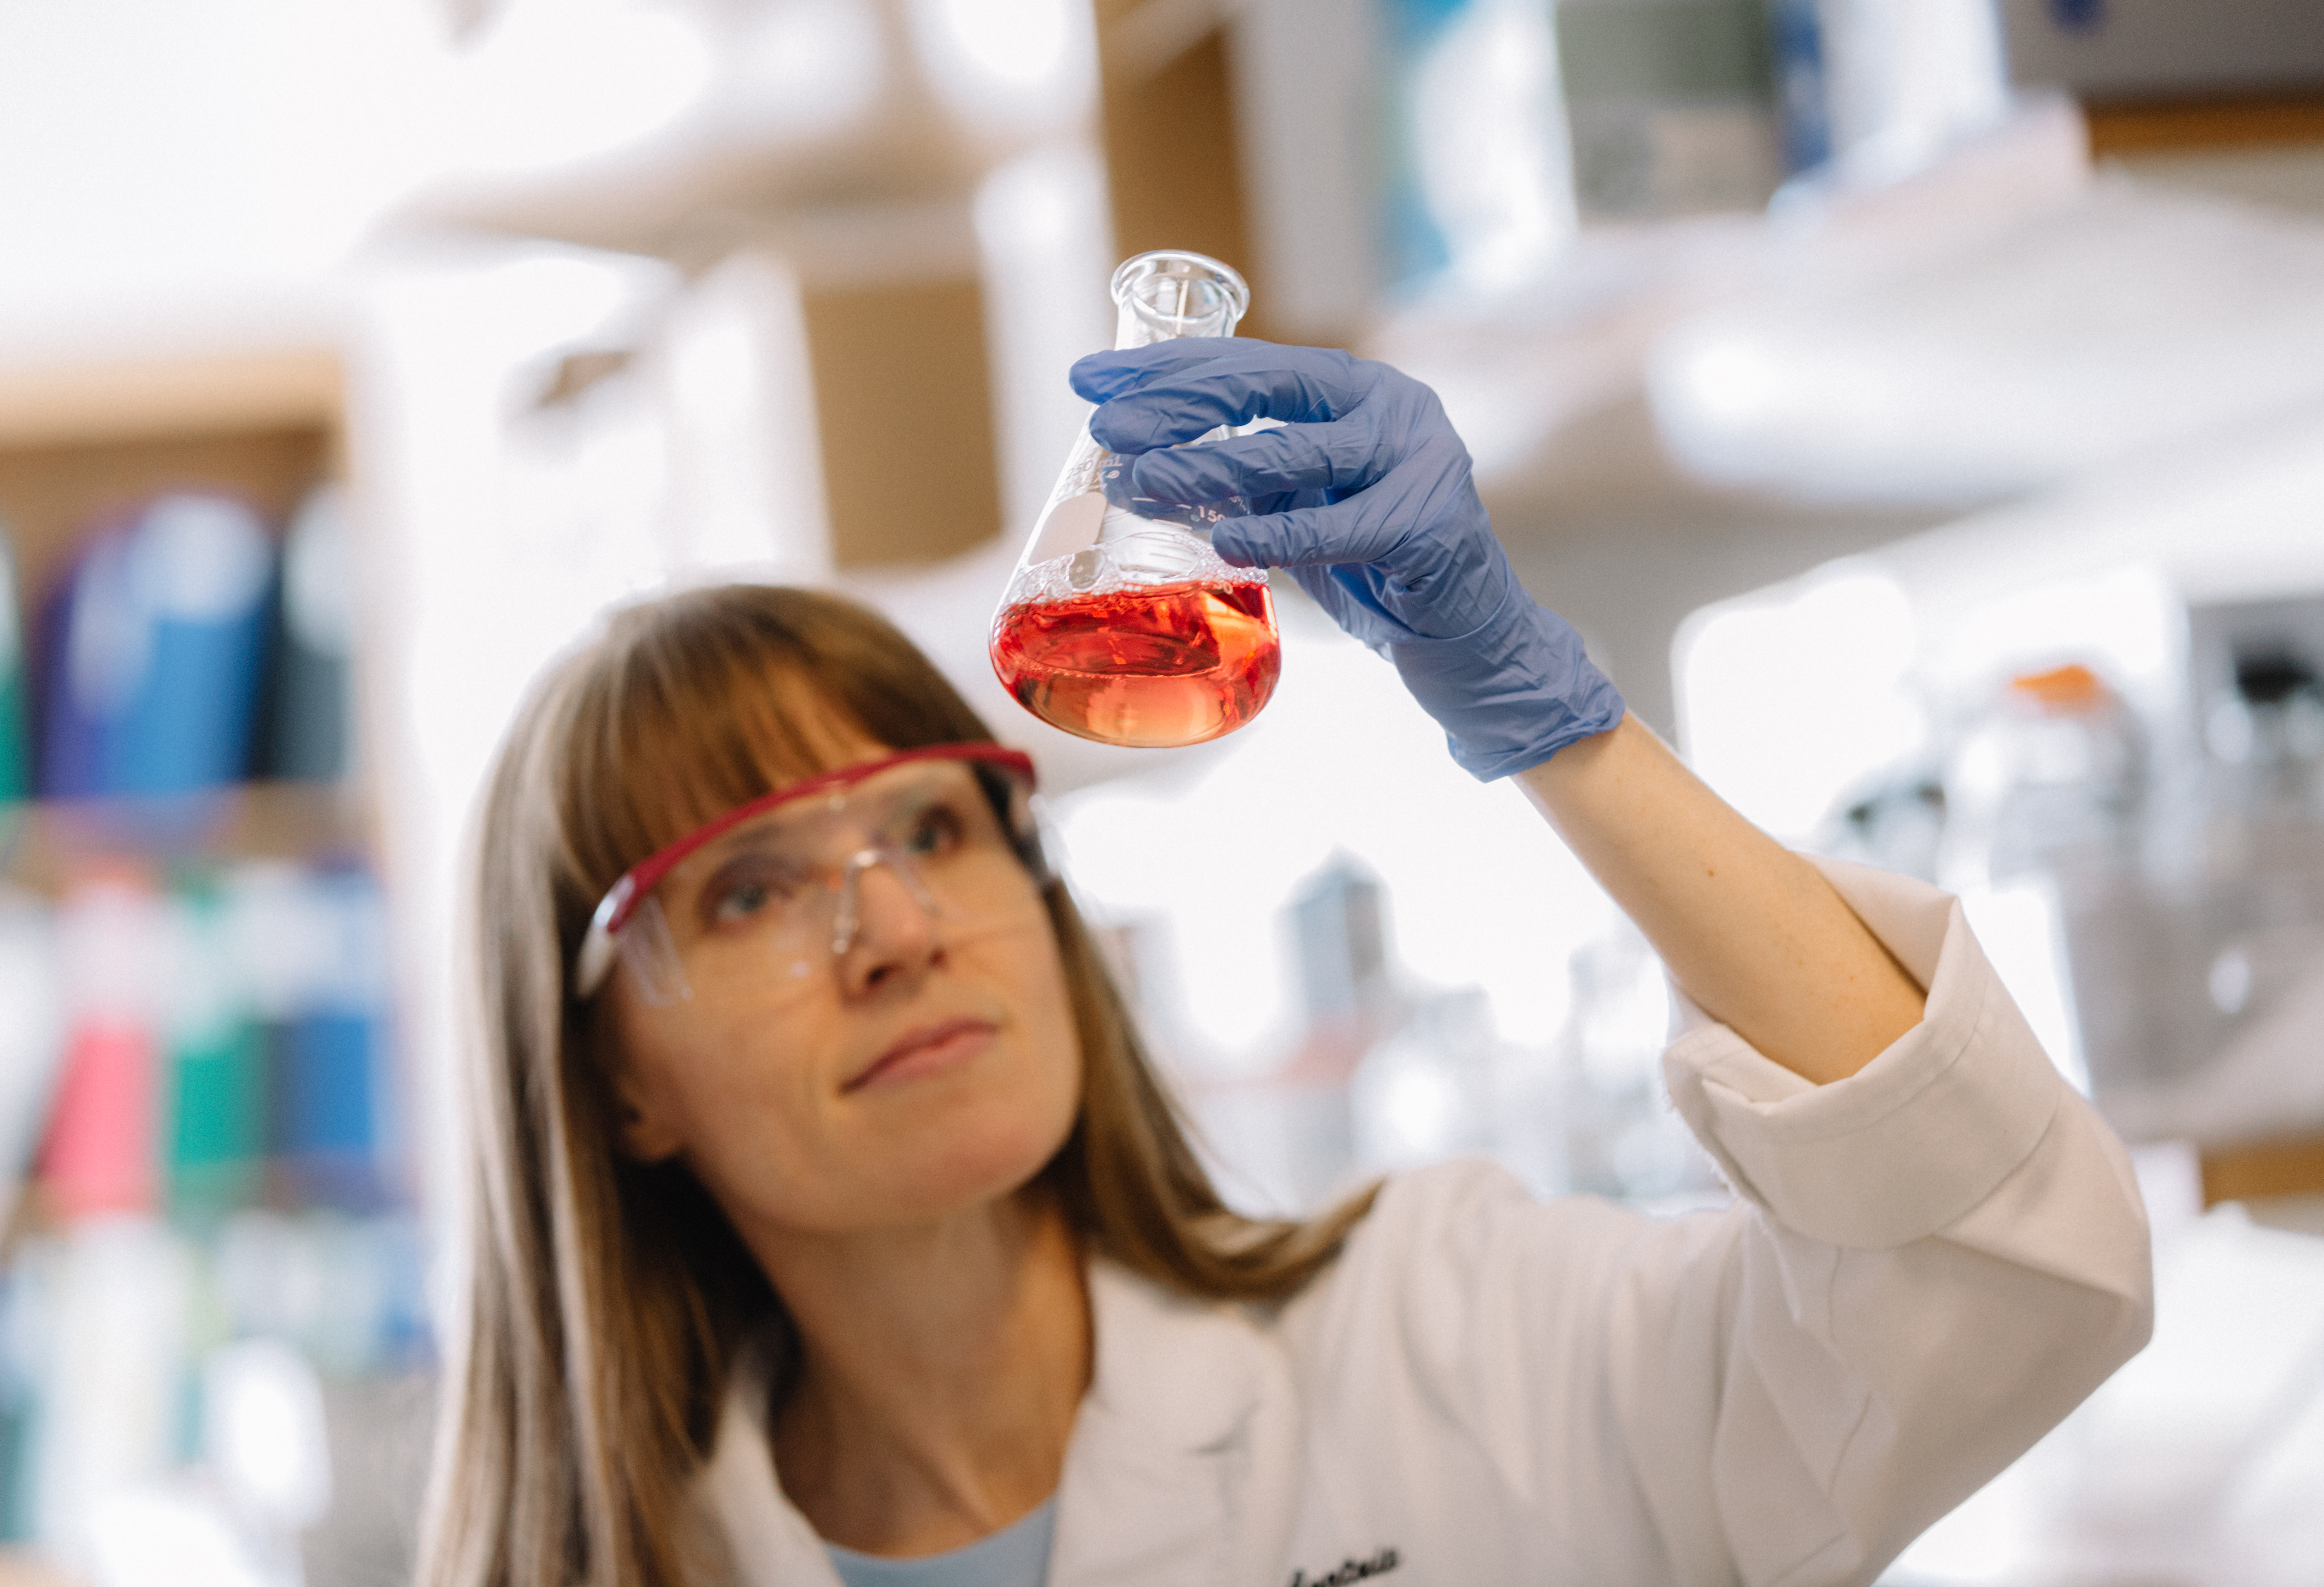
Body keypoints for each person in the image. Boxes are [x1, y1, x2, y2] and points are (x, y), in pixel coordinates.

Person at [417, 341, 2152, 1587]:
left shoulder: (1448, 1352)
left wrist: (1560, 729)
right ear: (612, 1080)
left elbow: (1995, 1271)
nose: (892, 930)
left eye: (934, 831)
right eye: (747, 894)